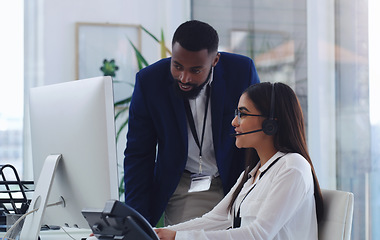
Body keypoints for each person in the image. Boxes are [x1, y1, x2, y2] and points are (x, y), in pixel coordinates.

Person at [123, 20, 260, 226]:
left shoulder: (241, 71)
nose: (184, 78)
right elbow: (138, 154)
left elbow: (258, 132)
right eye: (177, 66)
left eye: (195, 70)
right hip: (184, 185)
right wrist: (134, 224)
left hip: (236, 179)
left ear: (215, 60)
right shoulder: (149, 82)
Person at [154, 82, 324, 239]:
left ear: (271, 123)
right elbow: (214, 220)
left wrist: (178, 237)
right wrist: (161, 233)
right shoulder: (252, 173)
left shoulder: (293, 167)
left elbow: (259, 234)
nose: (234, 122)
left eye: (242, 114)